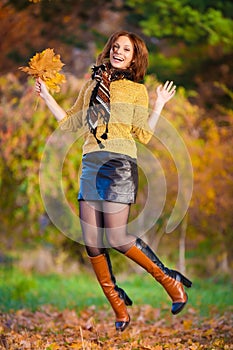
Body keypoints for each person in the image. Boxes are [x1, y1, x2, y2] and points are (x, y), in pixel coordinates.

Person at [35, 30, 192, 332]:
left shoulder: (136, 90)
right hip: (91, 163)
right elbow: (70, 125)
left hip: (119, 163)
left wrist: (159, 105)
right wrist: (47, 97)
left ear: (135, 58)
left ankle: (170, 280)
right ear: (109, 49)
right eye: (116, 46)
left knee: (117, 237)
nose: (119, 52)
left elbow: (143, 134)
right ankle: (118, 305)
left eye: (127, 50)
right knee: (92, 243)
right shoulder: (92, 84)